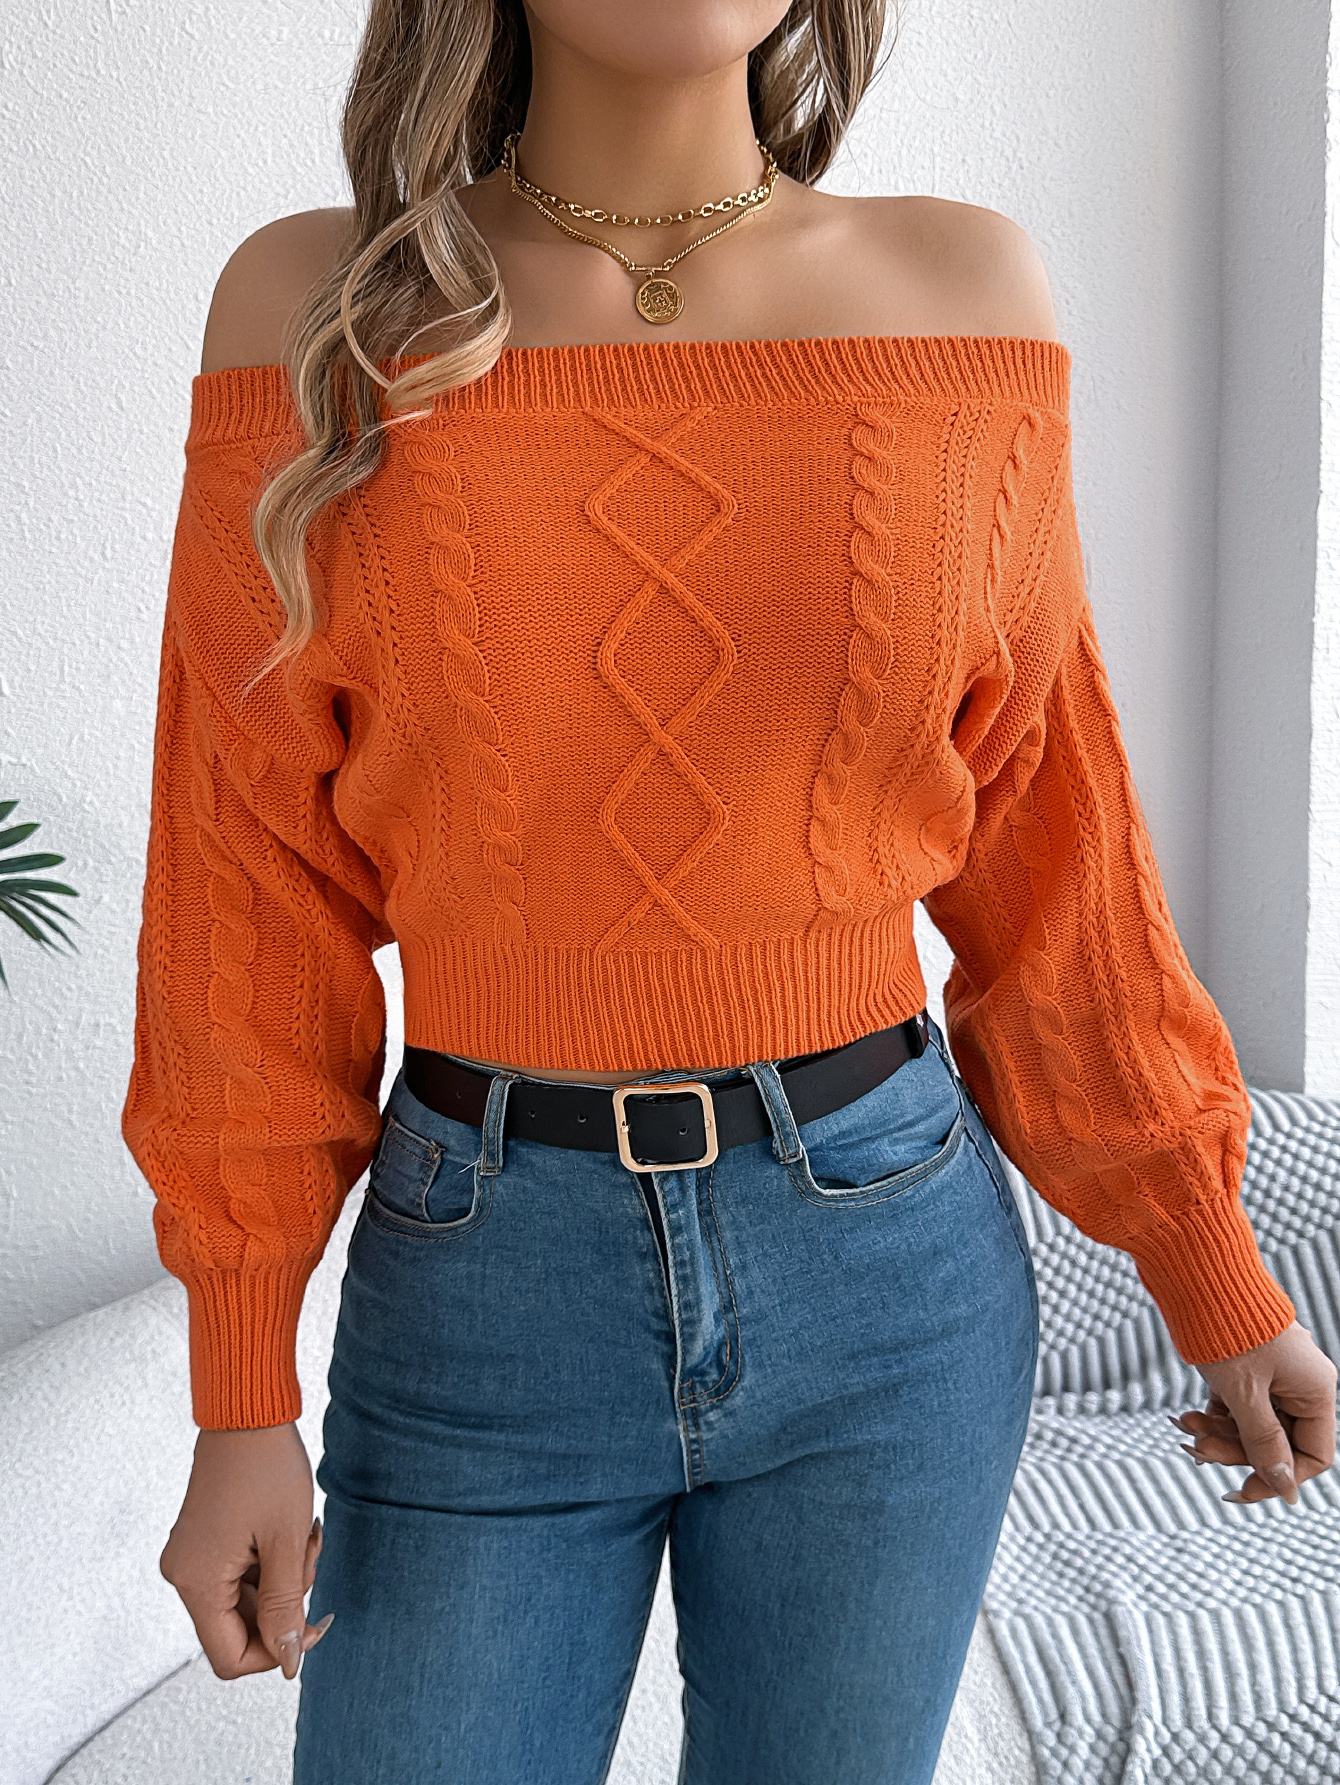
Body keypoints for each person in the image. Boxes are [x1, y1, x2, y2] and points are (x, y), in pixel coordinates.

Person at [123, 3, 1338, 1781]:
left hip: (890, 1272)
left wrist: (1212, 1270)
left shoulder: (962, 294)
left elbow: (1056, 857)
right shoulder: (313, 311)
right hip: (485, 1283)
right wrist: (241, 1392)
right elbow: (243, 896)